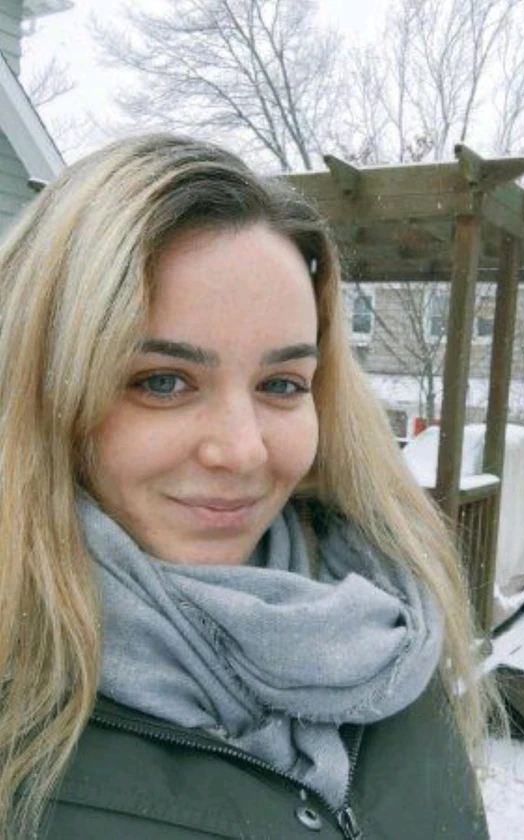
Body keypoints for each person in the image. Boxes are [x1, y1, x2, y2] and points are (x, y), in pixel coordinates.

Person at [0, 134, 492, 839]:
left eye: (282, 385)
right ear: (40, 391)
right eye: (162, 382)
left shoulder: (386, 627)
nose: (242, 450)